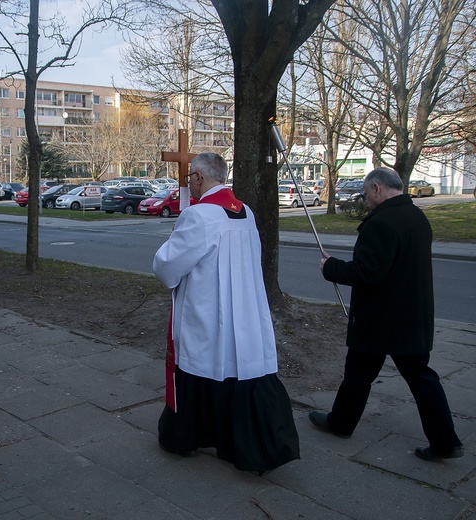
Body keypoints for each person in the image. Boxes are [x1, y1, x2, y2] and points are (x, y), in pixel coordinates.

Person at [153, 152, 300, 474]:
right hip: (243, 308)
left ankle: (186, 436)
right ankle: (241, 442)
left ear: (200, 179)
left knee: (201, 364)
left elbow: (167, 266)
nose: (189, 181)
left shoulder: (200, 215)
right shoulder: (244, 211)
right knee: (235, 367)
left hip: (207, 308)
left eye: (190, 176)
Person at [310, 167, 463, 461]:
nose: (366, 200)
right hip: (410, 315)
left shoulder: (381, 223)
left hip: (381, 319)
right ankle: (445, 440)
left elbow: (369, 273)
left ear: (378, 188)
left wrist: (331, 268)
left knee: (361, 372)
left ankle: (341, 423)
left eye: (367, 194)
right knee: (415, 376)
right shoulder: (416, 217)